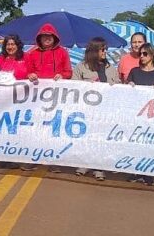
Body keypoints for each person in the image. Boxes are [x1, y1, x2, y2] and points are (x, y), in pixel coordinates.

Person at [24, 23, 72, 173]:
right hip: (36, 99)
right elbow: (27, 71)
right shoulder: (32, 53)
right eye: (44, 36)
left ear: (54, 37)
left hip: (56, 98)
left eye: (49, 36)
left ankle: (54, 160)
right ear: (40, 38)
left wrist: (62, 75)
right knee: (35, 127)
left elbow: (68, 72)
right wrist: (29, 75)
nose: (46, 38)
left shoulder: (63, 52)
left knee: (54, 128)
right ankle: (33, 158)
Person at [72, 37, 118, 180]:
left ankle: (99, 167)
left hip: (105, 111)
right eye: (102, 49)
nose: (105, 52)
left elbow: (119, 86)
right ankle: (84, 163)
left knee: (102, 138)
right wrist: (87, 87)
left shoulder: (110, 68)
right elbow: (73, 86)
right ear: (94, 50)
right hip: (87, 110)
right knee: (87, 137)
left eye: (106, 49)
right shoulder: (81, 67)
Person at [126, 43, 154, 186]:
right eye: (140, 54)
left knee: (150, 144)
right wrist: (129, 86)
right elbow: (125, 90)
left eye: (145, 54)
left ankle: (148, 173)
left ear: (152, 55)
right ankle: (136, 171)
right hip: (136, 114)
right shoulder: (134, 71)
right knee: (136, 143)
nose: (142, 56)